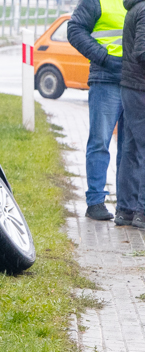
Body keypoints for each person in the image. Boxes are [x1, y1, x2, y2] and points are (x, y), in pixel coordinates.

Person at [69, 0, 127, 222]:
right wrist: (103, 57)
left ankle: (126, 206)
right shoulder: (97, 1)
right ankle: (95, 202)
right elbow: (74, 29)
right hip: (106, 80)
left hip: (135, 83)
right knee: (100, 142)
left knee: (130, 149)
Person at [118, 0, 145, 227]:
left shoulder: (135, 7)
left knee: (131, 149)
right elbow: (142, 52)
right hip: (140, 88)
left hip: (130, 87)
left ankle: (125, 210)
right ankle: (142, 212)